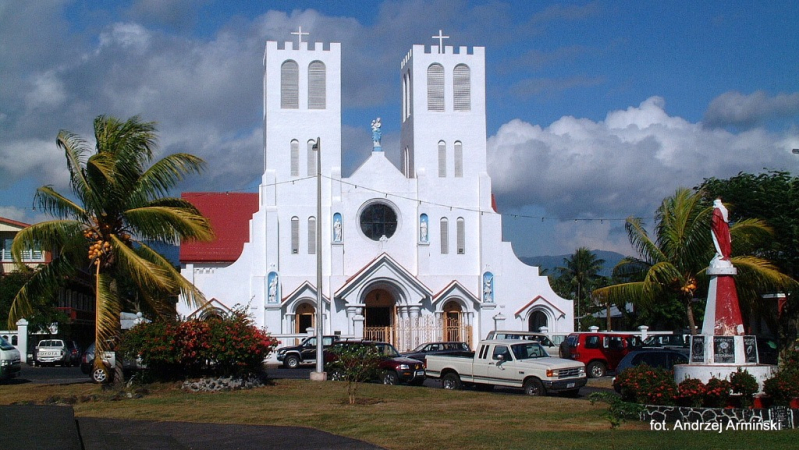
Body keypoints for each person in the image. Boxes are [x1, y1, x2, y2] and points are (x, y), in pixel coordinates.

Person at [711, 198, 732, 264]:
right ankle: (725, 254)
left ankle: (722, 254)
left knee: (720, 241)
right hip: (725, 228)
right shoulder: (725, 210)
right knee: (726, 240)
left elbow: (714, 220)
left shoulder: (716, 210)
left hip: (718, 229)